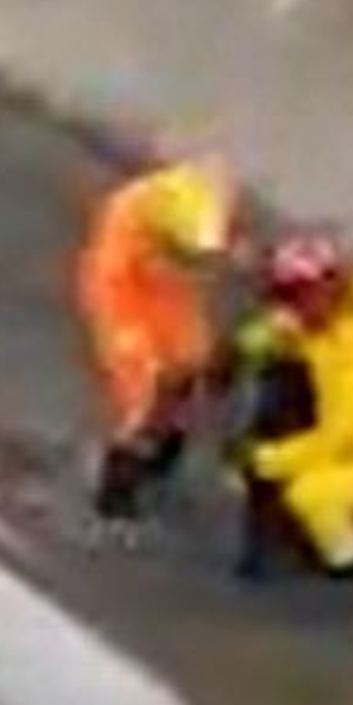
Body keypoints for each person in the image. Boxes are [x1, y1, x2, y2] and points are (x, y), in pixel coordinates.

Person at [228, 235, 353, 579]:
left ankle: (349, 558)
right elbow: (283, 332)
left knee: (309, 494)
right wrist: (239, 349)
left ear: (326, 291)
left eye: (297, 296)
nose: (291, 307)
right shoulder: (325, 327)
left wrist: (263, 459)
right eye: (286, 296)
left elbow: (331, 438)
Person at [76, 156, 236, 520]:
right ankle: (117, 483)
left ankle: (166, 448)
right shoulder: (125, 225)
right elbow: (113, 287)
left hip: (169, 297)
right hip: (125, 303)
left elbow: (199, 256)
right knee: (147, 395)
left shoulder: (200, 199)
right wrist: (141, 351)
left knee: (191, 365)